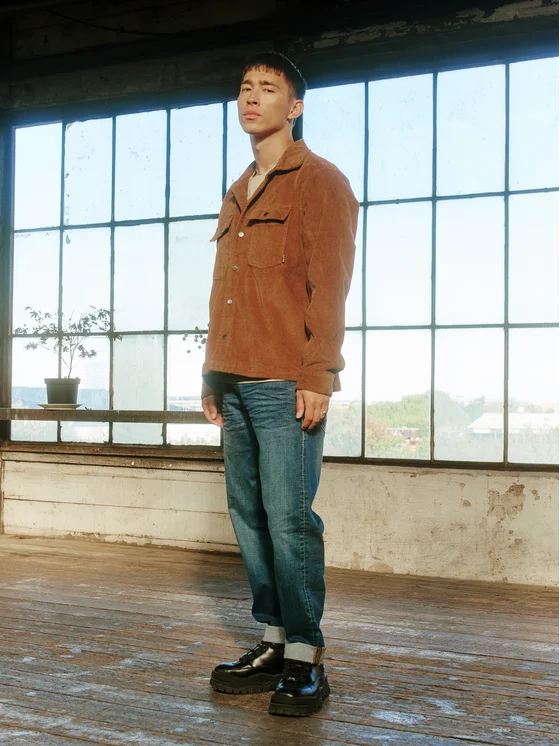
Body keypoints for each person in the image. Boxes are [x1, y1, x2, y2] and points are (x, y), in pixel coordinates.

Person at [201, 51, 359, 717]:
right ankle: (272, 639)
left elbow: (331, 286)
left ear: (294, 107)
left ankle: (306, 655)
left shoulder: (320, 181)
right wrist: (211, 373)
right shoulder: (240, 188)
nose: (252, 98)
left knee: (290, 518)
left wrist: (320, 374)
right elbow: (227, 290)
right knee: (249, 514)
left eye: (268, 89)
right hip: (234, 379)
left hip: (284, 381)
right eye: (245, 88)